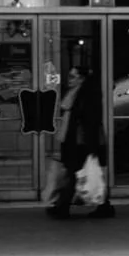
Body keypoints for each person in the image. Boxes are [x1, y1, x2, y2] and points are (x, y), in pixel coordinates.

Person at [44, 61, 112, 218]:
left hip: (82, 142)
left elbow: (90, 122)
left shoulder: (86, 95)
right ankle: (102, 206)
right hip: (75, 140)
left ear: (82, 79)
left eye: (73, 76)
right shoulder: (75, 93)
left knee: (75, 174)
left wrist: (91, 146)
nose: (69, 79)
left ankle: (63, 207)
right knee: (76, 174)